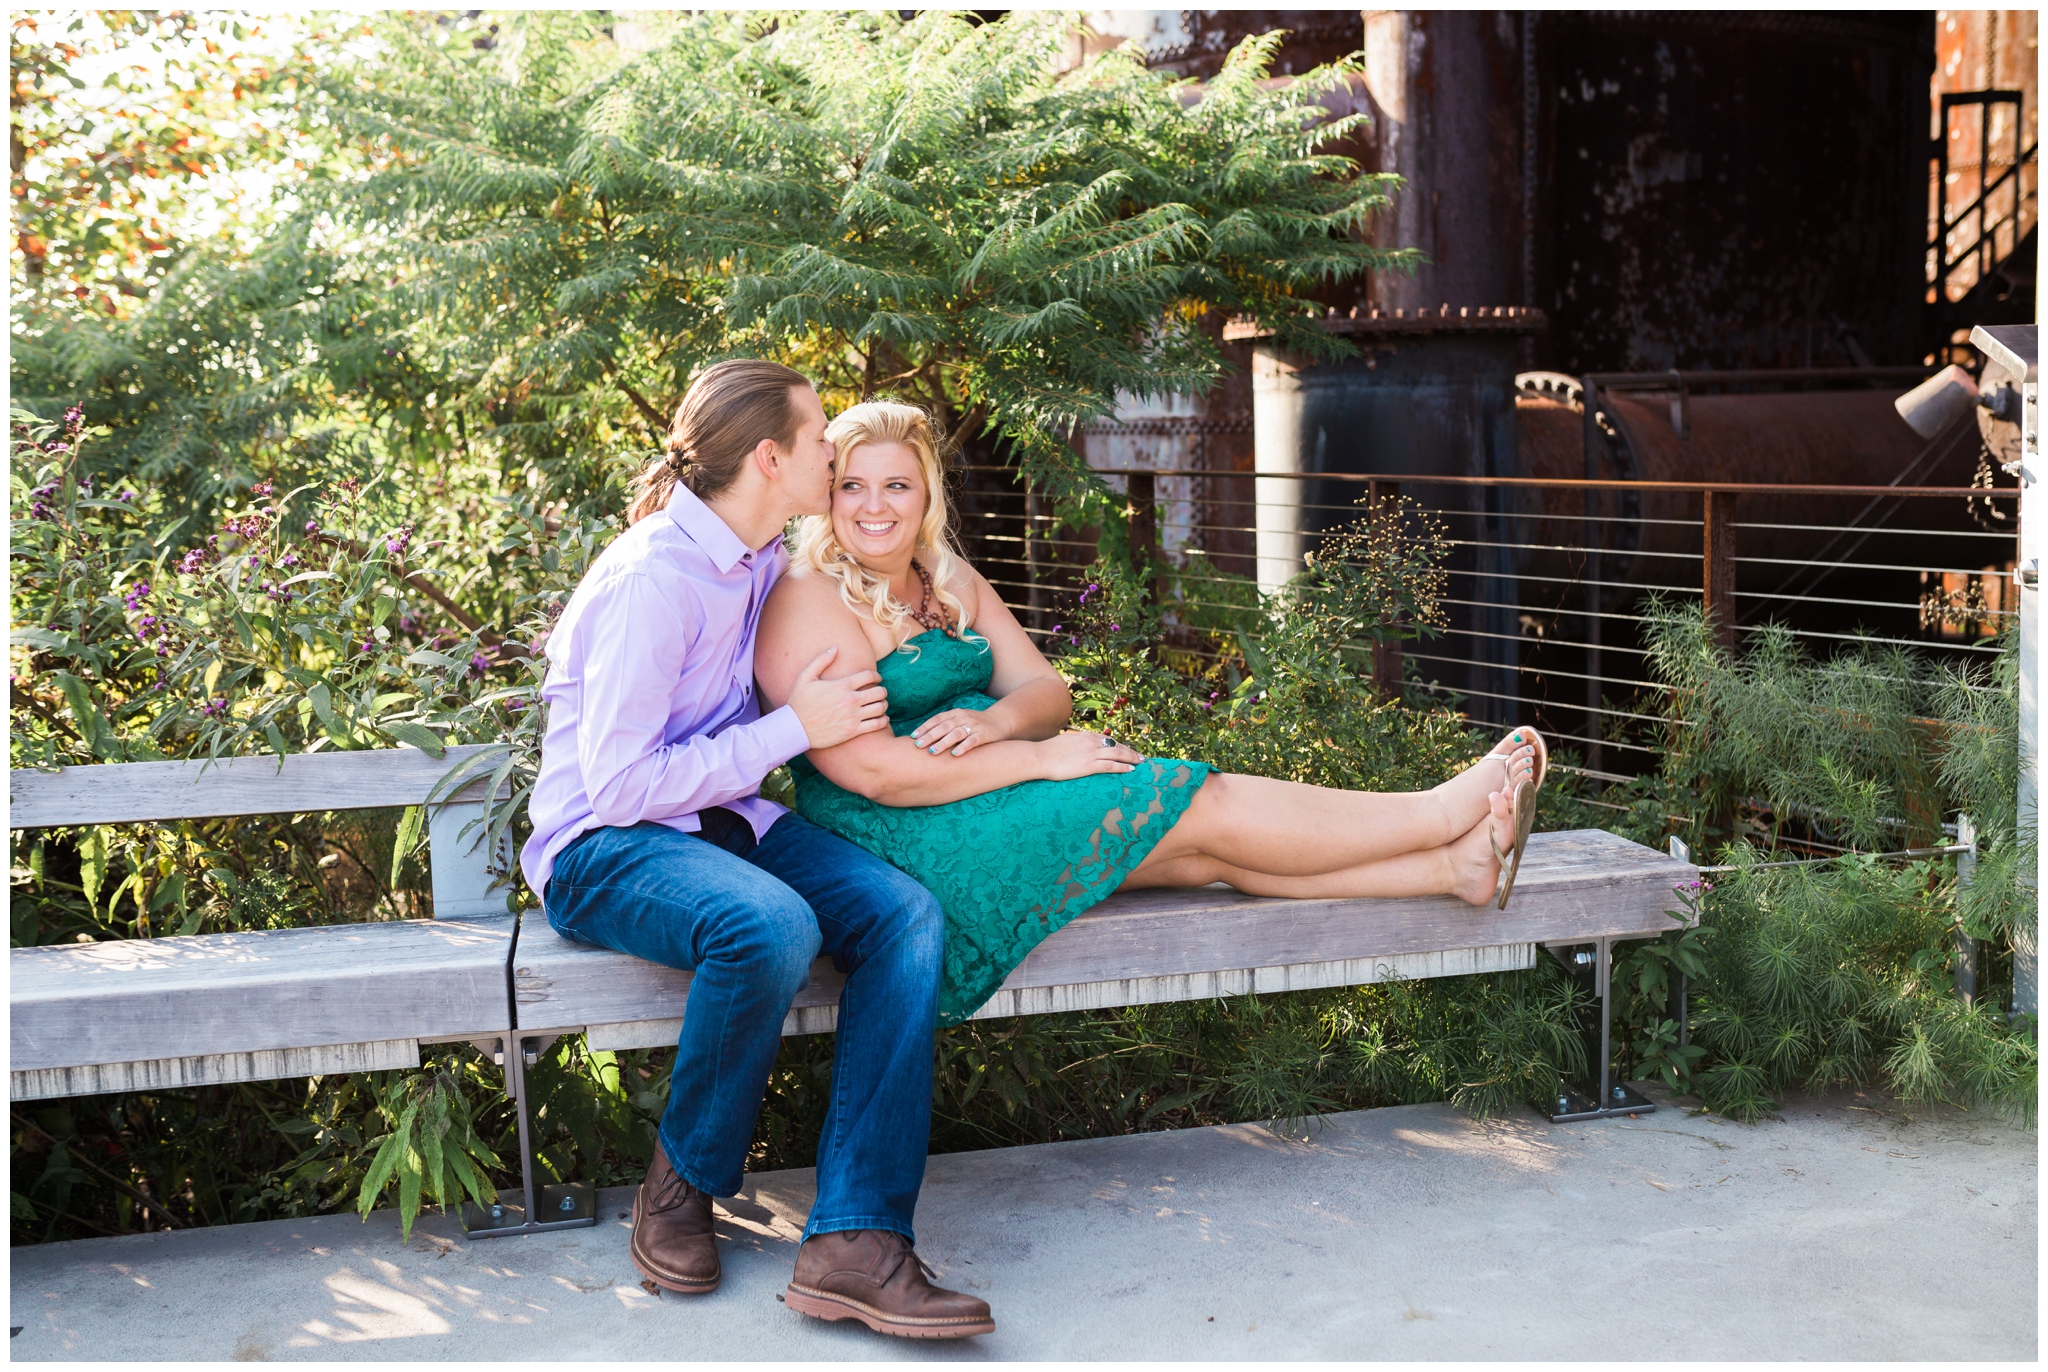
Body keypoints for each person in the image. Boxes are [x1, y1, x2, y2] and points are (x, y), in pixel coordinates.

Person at [754, 400, 1547, 1027]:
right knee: (1201, 803)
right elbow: (875, 774)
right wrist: (1038, 757)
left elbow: (1046, 692)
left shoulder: (942, 573)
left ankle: (1454, 868)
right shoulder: (812, 597)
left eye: (896, 484)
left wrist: (1000, 725)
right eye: (852, 485)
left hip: (988, 783)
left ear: (925, 492)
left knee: (1204, 857)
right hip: (901, 834)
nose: (873, 507)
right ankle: (1440, 810)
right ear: (826, 494)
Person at [520, 362, 996, 1339]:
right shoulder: (655, 576)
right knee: (769, 924)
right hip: (602, 847)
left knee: (902, 914)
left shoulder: (758, 558)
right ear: (771, 456)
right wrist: (792, 729)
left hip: (721, 823)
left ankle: (854, 1240)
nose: (834, 449)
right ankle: (679, 1186)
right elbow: (615, 786)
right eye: (821, 434)